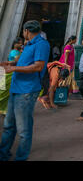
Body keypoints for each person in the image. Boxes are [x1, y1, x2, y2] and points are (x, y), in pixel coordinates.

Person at [0, 20, 50, 161]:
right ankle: (3, 154)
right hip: (16, 88)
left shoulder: (42, 44)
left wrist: (13, 68)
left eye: (23, 32)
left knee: (23, 128)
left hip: (27, 91)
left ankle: (21, 157)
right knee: (8, 125)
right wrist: (11, 63)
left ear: (26, 31)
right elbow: (25, 62)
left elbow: (38, 66)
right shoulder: (28, 45)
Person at [0, 38, 24, 115]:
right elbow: (16, 61)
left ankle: (6, 109)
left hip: (13, 72)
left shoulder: (18, 52)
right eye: (19, 43)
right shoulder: (14, 52)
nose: (21, 44)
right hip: (10, 73)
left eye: (21, 43)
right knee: (6, 92)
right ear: (15, 44)